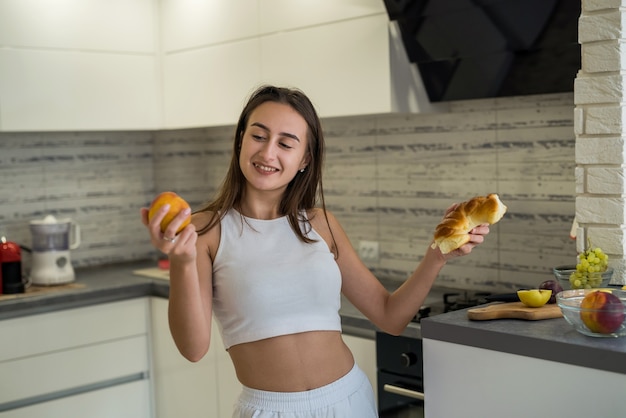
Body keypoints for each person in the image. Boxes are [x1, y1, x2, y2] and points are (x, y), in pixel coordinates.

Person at [141, 85, 490, 418]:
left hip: (348, 400)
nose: (267, 153)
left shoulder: (321, 224)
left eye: (286, 143)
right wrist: (182, 261)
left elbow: (390, 316)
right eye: (258, 136)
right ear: (241, 141)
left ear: (305, 158)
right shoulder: (205, 231)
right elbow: (193, 349)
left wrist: (437, 256)